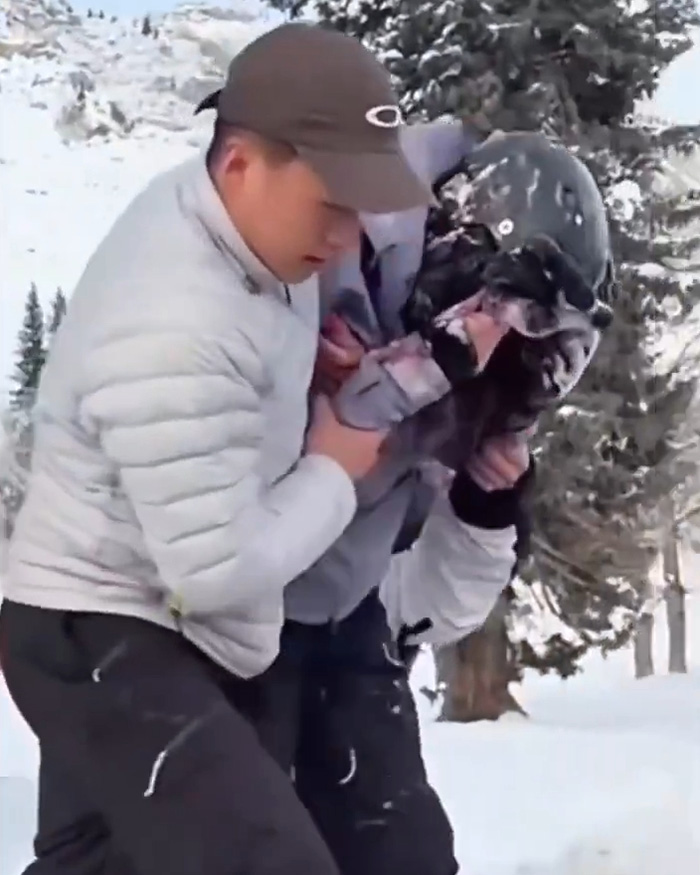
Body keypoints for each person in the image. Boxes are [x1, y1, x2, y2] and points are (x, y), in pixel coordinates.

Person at [0, 22, 475, 875]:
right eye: (329, 205)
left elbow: (251, 379)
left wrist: (323, 377)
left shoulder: (260, 239)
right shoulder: (175, 315)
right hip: (99, 625)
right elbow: (216, 566)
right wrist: (334, 460)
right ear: (241, 162)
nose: (340, 240)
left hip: (176, 616)